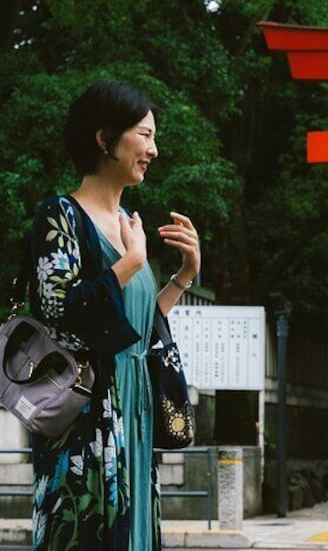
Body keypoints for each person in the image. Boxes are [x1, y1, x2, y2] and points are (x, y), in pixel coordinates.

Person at [28, 79, 201, 550]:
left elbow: (140, 329)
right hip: (88, 414)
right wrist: (130, 263)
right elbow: (59, 308)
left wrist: (184, 275)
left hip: (134, 408)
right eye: (144, 135)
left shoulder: (129, 226)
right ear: (104, 139)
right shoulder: (60, 215)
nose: (154, 150)